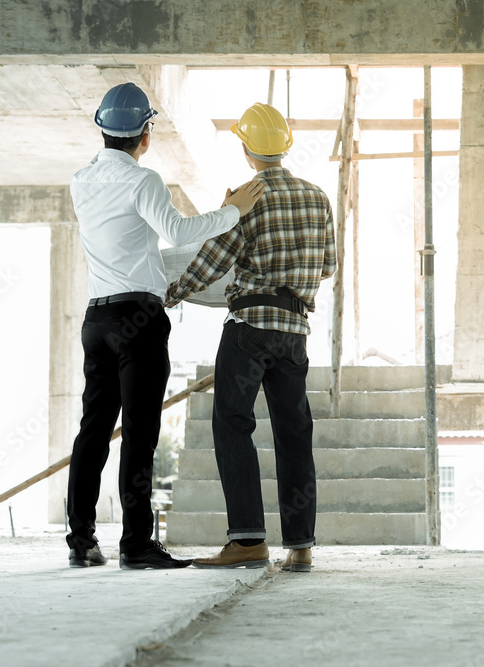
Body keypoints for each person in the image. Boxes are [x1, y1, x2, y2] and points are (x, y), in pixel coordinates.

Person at [66, 83, 264, 570]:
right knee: (139, 433)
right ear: (146, 134)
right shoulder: (143, 181)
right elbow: (176, 231)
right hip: (138, 319)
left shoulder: (80, 180)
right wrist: (233, 211)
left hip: (97, 319)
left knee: (92, 431)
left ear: (103, 129)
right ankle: (135, 545)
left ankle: (80, 541)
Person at [164, 102, 337, 572]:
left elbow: (212, 262)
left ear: (246, 149)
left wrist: (173, 292)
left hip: (249, 330)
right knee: (294, 432)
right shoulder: (318, 197)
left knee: (233, 424)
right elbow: (327, 267)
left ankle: (247, 541)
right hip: (294, 332)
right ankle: (300, 545)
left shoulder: (245, 197)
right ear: (284, 146)